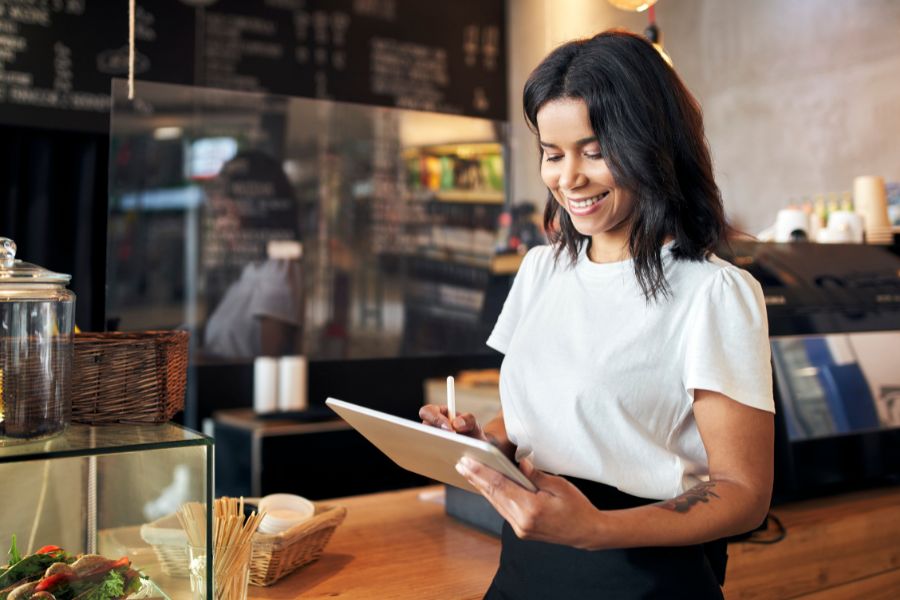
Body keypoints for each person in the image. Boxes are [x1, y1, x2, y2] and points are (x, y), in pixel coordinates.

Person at [420, 30, 774, 599]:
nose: (569, 178)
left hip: (644, 575)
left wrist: (598, 529)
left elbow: (744, 491)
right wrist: (480, 443)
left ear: (652, 145)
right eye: (553, 155)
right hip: (525, 565)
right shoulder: (540, 270)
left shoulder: (715, 292)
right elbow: (536, 420)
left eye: (595, 151)